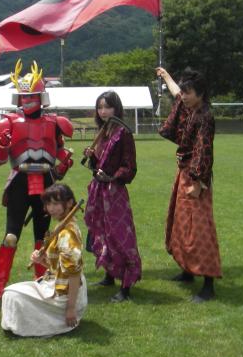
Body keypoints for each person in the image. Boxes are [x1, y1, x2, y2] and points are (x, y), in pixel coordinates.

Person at [0, 59, 74, 299]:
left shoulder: (54, 123)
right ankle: (0, 286)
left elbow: (58, 152)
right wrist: (2, 145)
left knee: (44, 237)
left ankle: (43, 281)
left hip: (47, 182)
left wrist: (65, 161)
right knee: (11, 237)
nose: (26, 100)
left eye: (31, 96)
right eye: (23, 97)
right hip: (19, 181)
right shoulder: (8, 123)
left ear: (41, 97)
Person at [156, 67, 222, 302]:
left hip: (195, 179)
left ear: (200, 93)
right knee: (181, 226)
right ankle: (187, 271)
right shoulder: (190, 107)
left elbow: (204, 151)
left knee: (199, 230)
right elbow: (176, 92)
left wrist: (198, 183)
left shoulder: (205, 117)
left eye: (188, 92)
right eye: (183, 92)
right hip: (184, 173)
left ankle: (208, 284)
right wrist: (166, 76)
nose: (182, 96)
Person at [1, 183, 87, 337]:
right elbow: (58, 268)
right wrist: (41, 260)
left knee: (12, 295)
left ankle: (51, 321)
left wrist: (70, 308)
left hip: (65, 296)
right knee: (10, 293)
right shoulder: (62, 227)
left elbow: (74, 274)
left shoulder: (68, 233)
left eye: (56, 203)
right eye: (48, 204)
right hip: (58, 285)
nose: (51, 208)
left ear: (69, 203)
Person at [82, 91, 141, 302]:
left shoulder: (123, 133)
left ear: (116, 108)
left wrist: (112, 177)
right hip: (99, 191)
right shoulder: (103, 131)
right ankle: (109, 275)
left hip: (115, 193)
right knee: (102, 233)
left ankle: (126, 286)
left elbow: (129, 166)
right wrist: (92, 158)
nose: (103, 111)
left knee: (120, 237)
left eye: (107, 107)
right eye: (100, 107)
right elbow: (99, 165)